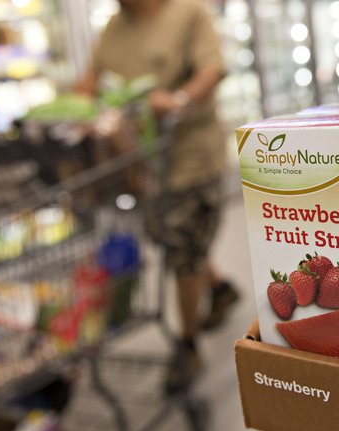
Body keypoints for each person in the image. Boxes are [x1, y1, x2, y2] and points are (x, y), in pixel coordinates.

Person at [74, 0, 239, 393]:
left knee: (181, 249)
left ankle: (187, 345)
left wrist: (178, 100)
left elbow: (212, 69)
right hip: (142, 166)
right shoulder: (114, 25)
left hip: (189, 157)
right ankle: (220, 289)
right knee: (176, 239)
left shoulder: (188, 14)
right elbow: (90, 81)